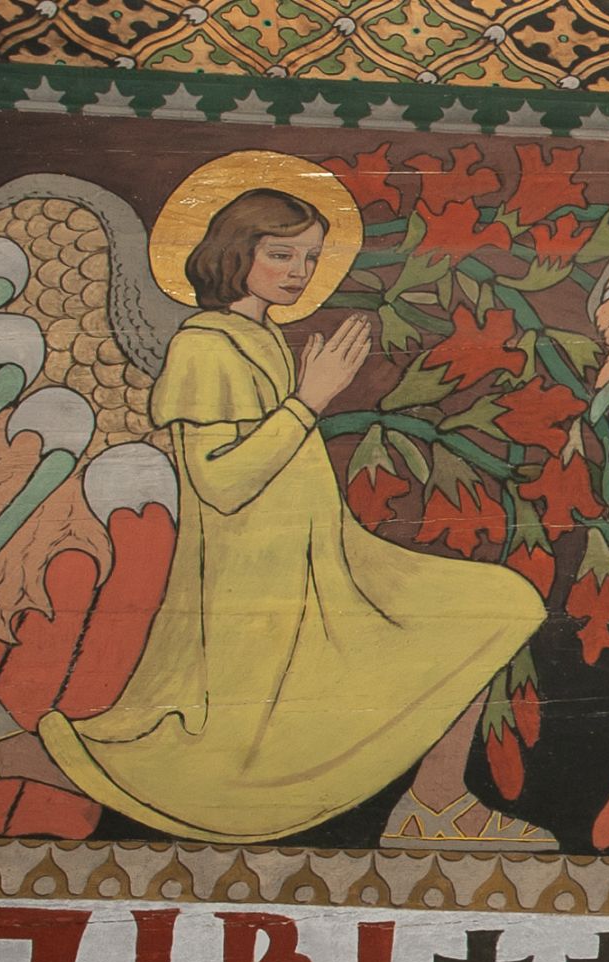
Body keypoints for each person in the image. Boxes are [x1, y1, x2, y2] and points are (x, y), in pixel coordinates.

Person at [37, 187, 552, 847]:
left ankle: (435, 800)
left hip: (322, 560)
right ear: (235, 251)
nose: (299, 271)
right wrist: (309, 400)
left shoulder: (262, 338)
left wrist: (307, 403)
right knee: (206, 756)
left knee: (498, 605)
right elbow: (221, 482)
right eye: (281, 254)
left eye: (310, 257)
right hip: (255, 584)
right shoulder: (205, 347)